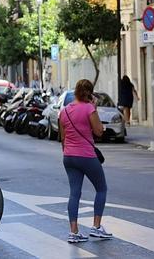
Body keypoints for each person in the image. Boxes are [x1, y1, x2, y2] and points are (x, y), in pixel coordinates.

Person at [59, 79, 112, 243]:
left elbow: (63, 138)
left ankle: (73, 232)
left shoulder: (65, 111)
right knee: (101, 188)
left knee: (74, 193)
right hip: (86, 156)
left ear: (75, 91)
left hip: (68, 156)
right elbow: (99, 131)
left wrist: (69, 151)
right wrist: (94, 109)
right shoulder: (89, 108)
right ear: (90, 92)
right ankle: (96, 227)